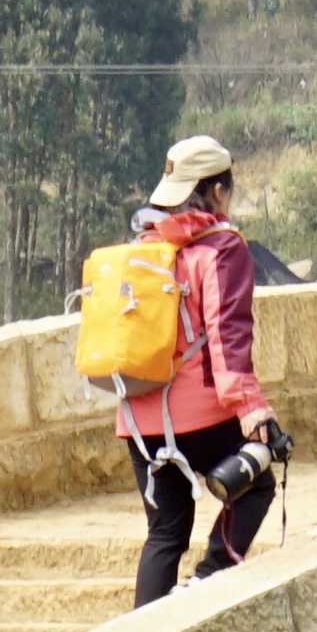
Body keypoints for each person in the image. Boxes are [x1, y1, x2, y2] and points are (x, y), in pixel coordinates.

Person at [114, 137, 279, 604]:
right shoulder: (221, 249)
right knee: (256, 484)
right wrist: (252, 410)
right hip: (200, 417)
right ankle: (206, 583)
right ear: (220, 191)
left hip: (138, 419)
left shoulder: (142, 248)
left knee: (164, 534)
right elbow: (228, 337)